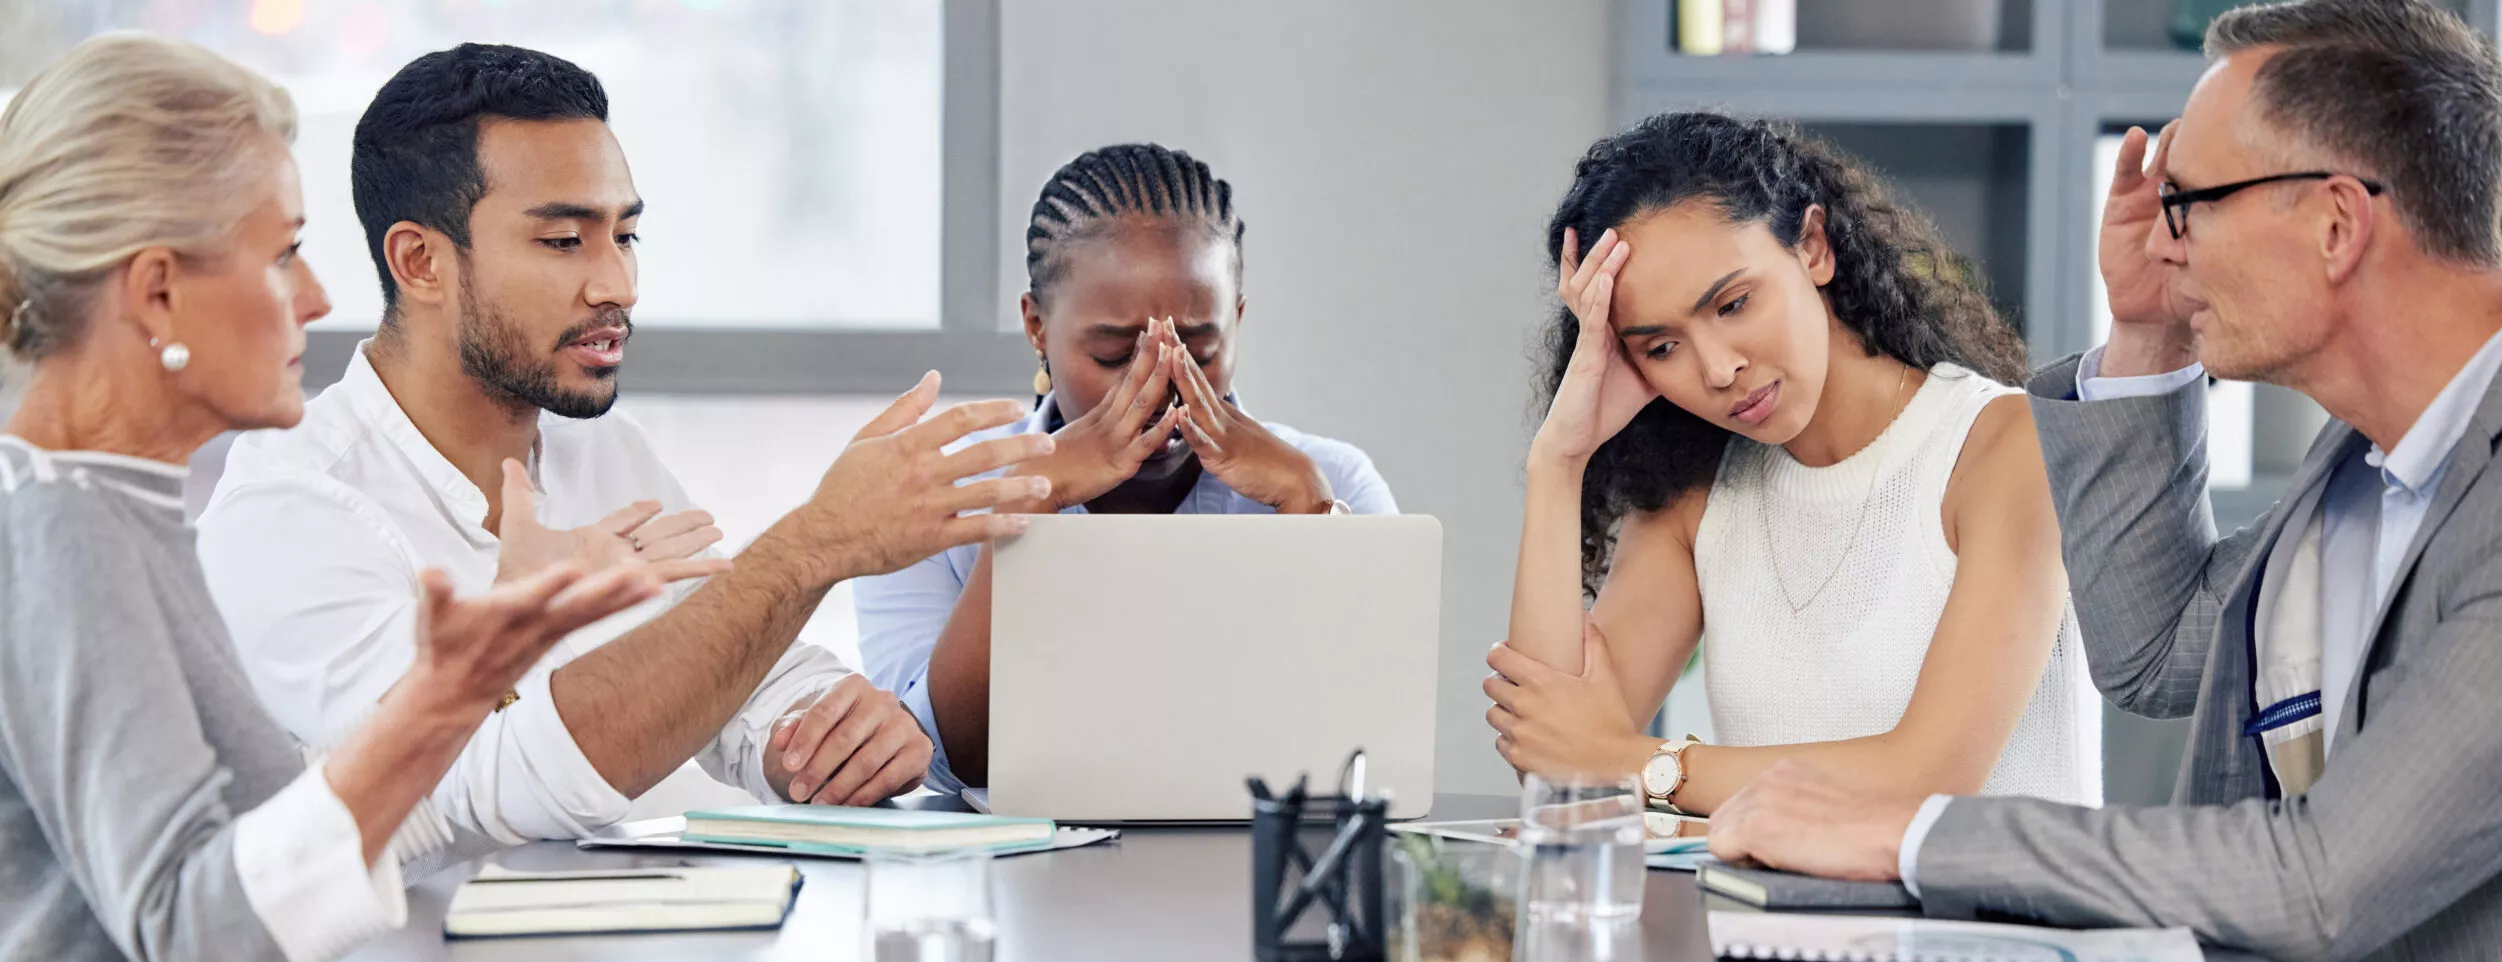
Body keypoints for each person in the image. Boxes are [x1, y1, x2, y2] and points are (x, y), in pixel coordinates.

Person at [1704, 3, 2502, 962]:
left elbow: (2322, 879)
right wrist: (2150, 335)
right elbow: (2154, 653)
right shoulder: (2375, 457)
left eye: (2189, 204)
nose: (2163, 241)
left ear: (2336, 224)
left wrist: (1911, 835)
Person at [195, 44, 1051, 867]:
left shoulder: (600, 447)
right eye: (565, 242)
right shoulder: (293, 508)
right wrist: (816, 544)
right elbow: (482, 783)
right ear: (420, 261)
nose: (617, 285)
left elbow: (743, 676)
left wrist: (818, 733)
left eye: (625, 236)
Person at [0, 34, 665, 962]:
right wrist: (448, 696)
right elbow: (204, 947)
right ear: (157, 293)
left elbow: (283, 850)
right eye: (280, 255)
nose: (314, 298)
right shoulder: (62, 530)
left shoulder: (115, 510)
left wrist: (469, 691)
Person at [1487, 111, 2099, 815]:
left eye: (1734, 303)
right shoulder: (1698, 497)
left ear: (1812, 246)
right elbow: (1555, 766)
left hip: (1998, 925)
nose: (1717, 368)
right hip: (1770, 927)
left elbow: (1926, 779)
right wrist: (1561, 459)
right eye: (1660, 348)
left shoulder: (2005, 445)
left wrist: (1637, 763)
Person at [857, 144, 1398, 790]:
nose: (1162, 383)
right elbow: (951, 760)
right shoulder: (936, 499)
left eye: (1199, 349)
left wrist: (1309, 507)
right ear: (1037, 327)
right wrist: (1035, 499)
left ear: (1238, 321)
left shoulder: (1333, 478)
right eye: (1116, 354)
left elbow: (1370, 749)